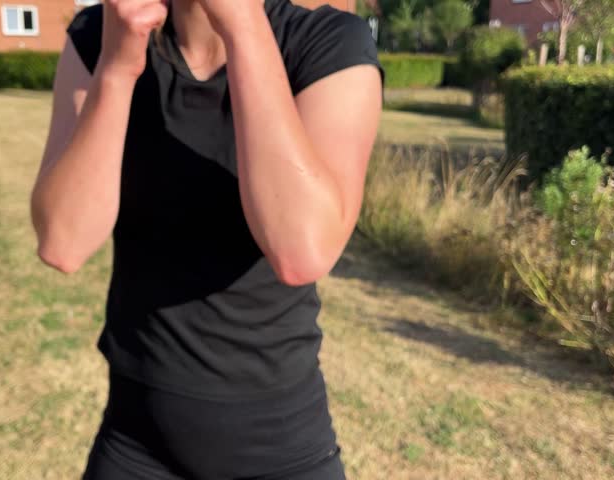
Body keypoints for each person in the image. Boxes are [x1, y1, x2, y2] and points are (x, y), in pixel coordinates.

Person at [30, 0, 382, 478]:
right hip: (135, 443)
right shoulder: (99, 34)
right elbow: (63, 242)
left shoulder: (328, 43)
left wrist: (240, 23)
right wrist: (117, 67)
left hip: (279, 450)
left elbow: (301, 251)